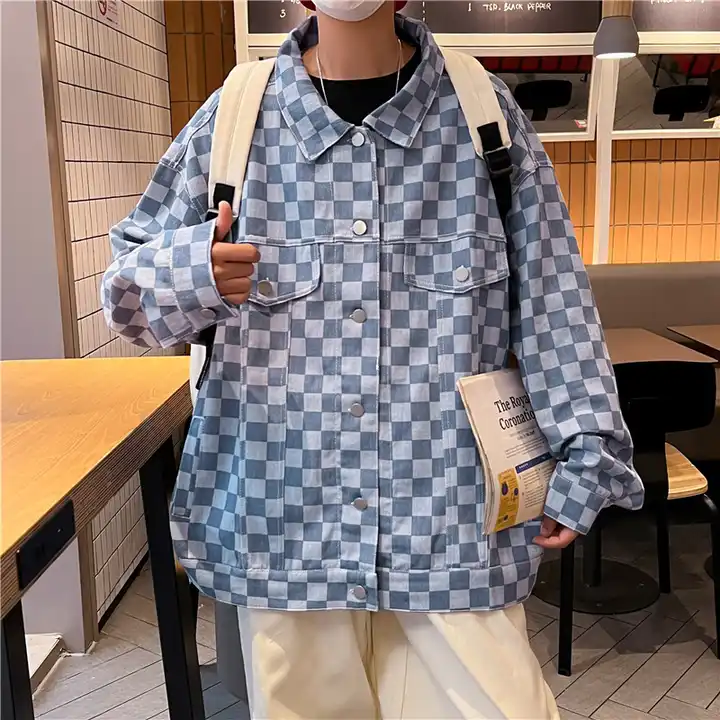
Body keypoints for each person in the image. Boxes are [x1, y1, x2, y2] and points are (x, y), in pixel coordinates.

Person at [101, 2, 644, 718]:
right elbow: (128, 300)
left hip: (450, 526)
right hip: (285, 525)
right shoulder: (236, 118)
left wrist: (589, 453)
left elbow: (554, 297)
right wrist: (194, 271)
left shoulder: (481, 115)